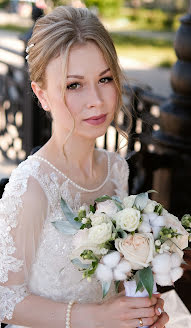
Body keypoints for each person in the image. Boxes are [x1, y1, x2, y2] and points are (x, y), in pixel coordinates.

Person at [0, 6, 169, 328]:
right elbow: (4, 299)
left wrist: (136, 312)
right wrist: (95, 317)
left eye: (105, 79)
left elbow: (110, 279)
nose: (97, 100)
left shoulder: (115, 167)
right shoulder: (33, 186)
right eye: (74, 85)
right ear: (42, 94)